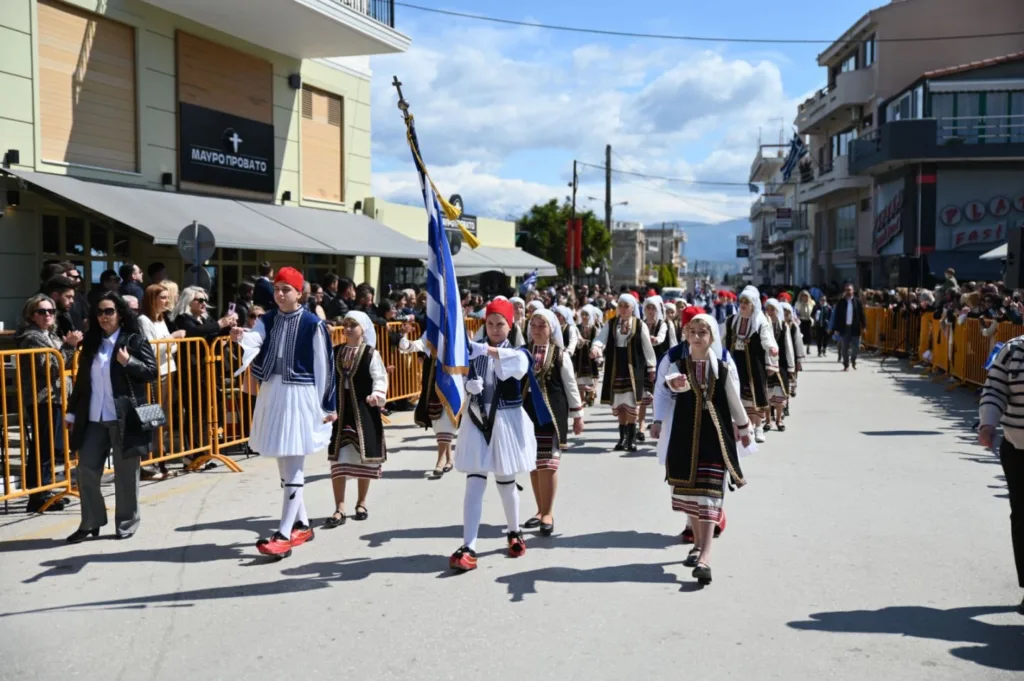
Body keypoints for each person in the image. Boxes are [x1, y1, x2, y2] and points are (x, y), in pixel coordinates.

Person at [230, 267, 337, 558]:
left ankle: (284, 533)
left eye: (286, 289)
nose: (279, 294)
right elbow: (256, 339)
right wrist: (243, 336)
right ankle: (302, 524)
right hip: (274, 392)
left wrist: (327, 405)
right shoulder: (269, 318)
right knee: (283, 462)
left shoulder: (313, 324)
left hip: (300, 395)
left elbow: (324, 366)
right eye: (277, 289)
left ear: (299, 292)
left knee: (293, 461)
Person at [652, 313, 750, 586]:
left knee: (709, 496)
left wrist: (743, 428)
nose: (696, 337)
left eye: (702, 332)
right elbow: (666, 385)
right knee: (691, 496)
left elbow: (733, 398)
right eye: (692, 331)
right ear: (686, 334)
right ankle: (696, 544)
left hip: (714, 437)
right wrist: (659, 416)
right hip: (684, 436)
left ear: (711, 338)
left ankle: (705, 556)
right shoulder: (676, 363)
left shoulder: (721, 367)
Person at [449, 299, 538, 572]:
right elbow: (460, 377)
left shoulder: (520, 353)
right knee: (474, 482)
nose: (495, 329)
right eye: (490, 324)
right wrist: (468, 386)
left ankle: (514, 530)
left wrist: (482, 350)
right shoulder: (474, 353)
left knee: (506, 481)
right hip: (477, 421)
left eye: (501, 324)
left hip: (505, 422)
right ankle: (470, 545)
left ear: (510, 326)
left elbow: (516, 366)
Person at [64, 292, 158, 543]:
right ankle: (90, 522)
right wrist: (72, 412)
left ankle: (127, 522)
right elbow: (82, 382)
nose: (104, 317)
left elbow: (151, 371)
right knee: (86, 470)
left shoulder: (134, 340)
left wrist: (129, 362)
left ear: (120, 314)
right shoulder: (91, 343)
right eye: (99, 312)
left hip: (123, 417)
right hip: (94, 416)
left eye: (109, 311)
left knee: (126, 474)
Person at [322, 311, 388, 529]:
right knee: (338, 458)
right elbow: (328, 380)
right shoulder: (336, 352)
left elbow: (380, 377)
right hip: (341, 411)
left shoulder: (370, 354)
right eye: (346, 324)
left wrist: (377, 394)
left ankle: (361, 502)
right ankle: (339, 507)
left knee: (363, 456)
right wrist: (326, 407)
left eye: (353, 325)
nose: (348, 328)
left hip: (363, 409)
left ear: (363, 329)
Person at [15, 294, 81, 512]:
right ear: (32, 315)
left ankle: (47, 490)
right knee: (42, 448)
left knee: (50, 447)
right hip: (43, 398)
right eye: (42, 312)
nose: (47, 316)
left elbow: (65, 362)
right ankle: (38, 495)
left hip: (57, 397)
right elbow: (50, 367)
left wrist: (69, 347)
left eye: (51, 312)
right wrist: (69, 346)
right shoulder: (32, 337)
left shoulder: (49, 335)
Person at [523, 309, 584, 536]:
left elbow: (570, 385)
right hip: (527, 414)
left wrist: (578, 415)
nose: (537, 330)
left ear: (552, 330)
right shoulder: (523, 353)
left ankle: (548, 513)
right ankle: (539, 510)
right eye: (534, 326)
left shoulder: (560, 354)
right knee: (533, 464)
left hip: (550, 415)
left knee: (547, 463)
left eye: (542, 326)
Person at [979, 337, 1024, 616]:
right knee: (1021, 516)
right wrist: (988, 422)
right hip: (1018, 446)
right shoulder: (1013, 350)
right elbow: (994, 389)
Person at [591, 294, 657, 452]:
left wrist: (651, 367)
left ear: (632, 308)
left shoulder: (640, 324)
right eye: (620, 305)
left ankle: (631, 439)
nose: (623, 309)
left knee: (632, 402)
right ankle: (622, 438)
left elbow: (647, 347)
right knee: (619, 403)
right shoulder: (611, 323)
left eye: (626, 306)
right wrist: (596, 347)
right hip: (615, 366)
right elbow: (601, 338)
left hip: (634, 367)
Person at [400, 321, 457, 476]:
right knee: (438, 417)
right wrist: (404, 334)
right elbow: (411, 346)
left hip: (452, 378)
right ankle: (448, 458)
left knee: (447, 418)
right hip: (433, 377)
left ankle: (440, 460)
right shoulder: (430, 331)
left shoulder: (457, 326)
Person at [724, 286, 778, 444]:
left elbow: (767, 338)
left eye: (746, 302)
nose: (742, 304)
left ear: (753, 304)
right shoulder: (732, 320)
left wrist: (772, 348)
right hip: (736, 362)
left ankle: (758, 427)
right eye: (741, 301)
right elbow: (721, 337)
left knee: (756, 394)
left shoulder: (760, 321)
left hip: (754, 363)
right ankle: (744, 427)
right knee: (738, 395)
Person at [638, 295, 672, 443]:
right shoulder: (640, 324)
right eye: (648, 308)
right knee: (643, 395)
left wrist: (655, 340)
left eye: (653, 308)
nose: (650, 311)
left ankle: (657, 423)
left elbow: (662, 337)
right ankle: (640, 427)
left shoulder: (663, 324)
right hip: (643, 362)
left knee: (657, 395)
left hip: (659, 363)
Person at [763, 299, 794, 432]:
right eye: (768, 309)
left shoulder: (783, 325)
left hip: (780, 364)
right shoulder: (763, 325)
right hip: (766, 363)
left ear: (777, 310)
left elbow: (788, 346)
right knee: (767, 393)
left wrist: (791, 366)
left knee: (780, 393)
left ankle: (779, 419)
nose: (770, 312)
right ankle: (768, 420)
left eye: (773, 309)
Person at [574, 305, 602, 408]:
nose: (584, 317)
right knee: (580, 378)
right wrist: (580, 342)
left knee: (591, 376)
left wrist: (598, 353)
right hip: (580, 355)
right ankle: (581, 400)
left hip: (591, 356)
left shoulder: (594, 328)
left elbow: (599, 341)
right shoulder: (577, 328)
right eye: (583, 314)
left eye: (586, 315)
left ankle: (590, 395)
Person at [833, 282, 866, 371]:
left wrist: (864, 326)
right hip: (844, 328)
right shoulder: (841, 302)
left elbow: (862, 314)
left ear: (853, 291)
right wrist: (836, 328)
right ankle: (846, 365)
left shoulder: (857, 301)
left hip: (855, 327)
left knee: (856, 347)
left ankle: (853, 359)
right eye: (846, 290)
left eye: (849, 290)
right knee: (844, 348)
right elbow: (837, 316)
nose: (848, 291)